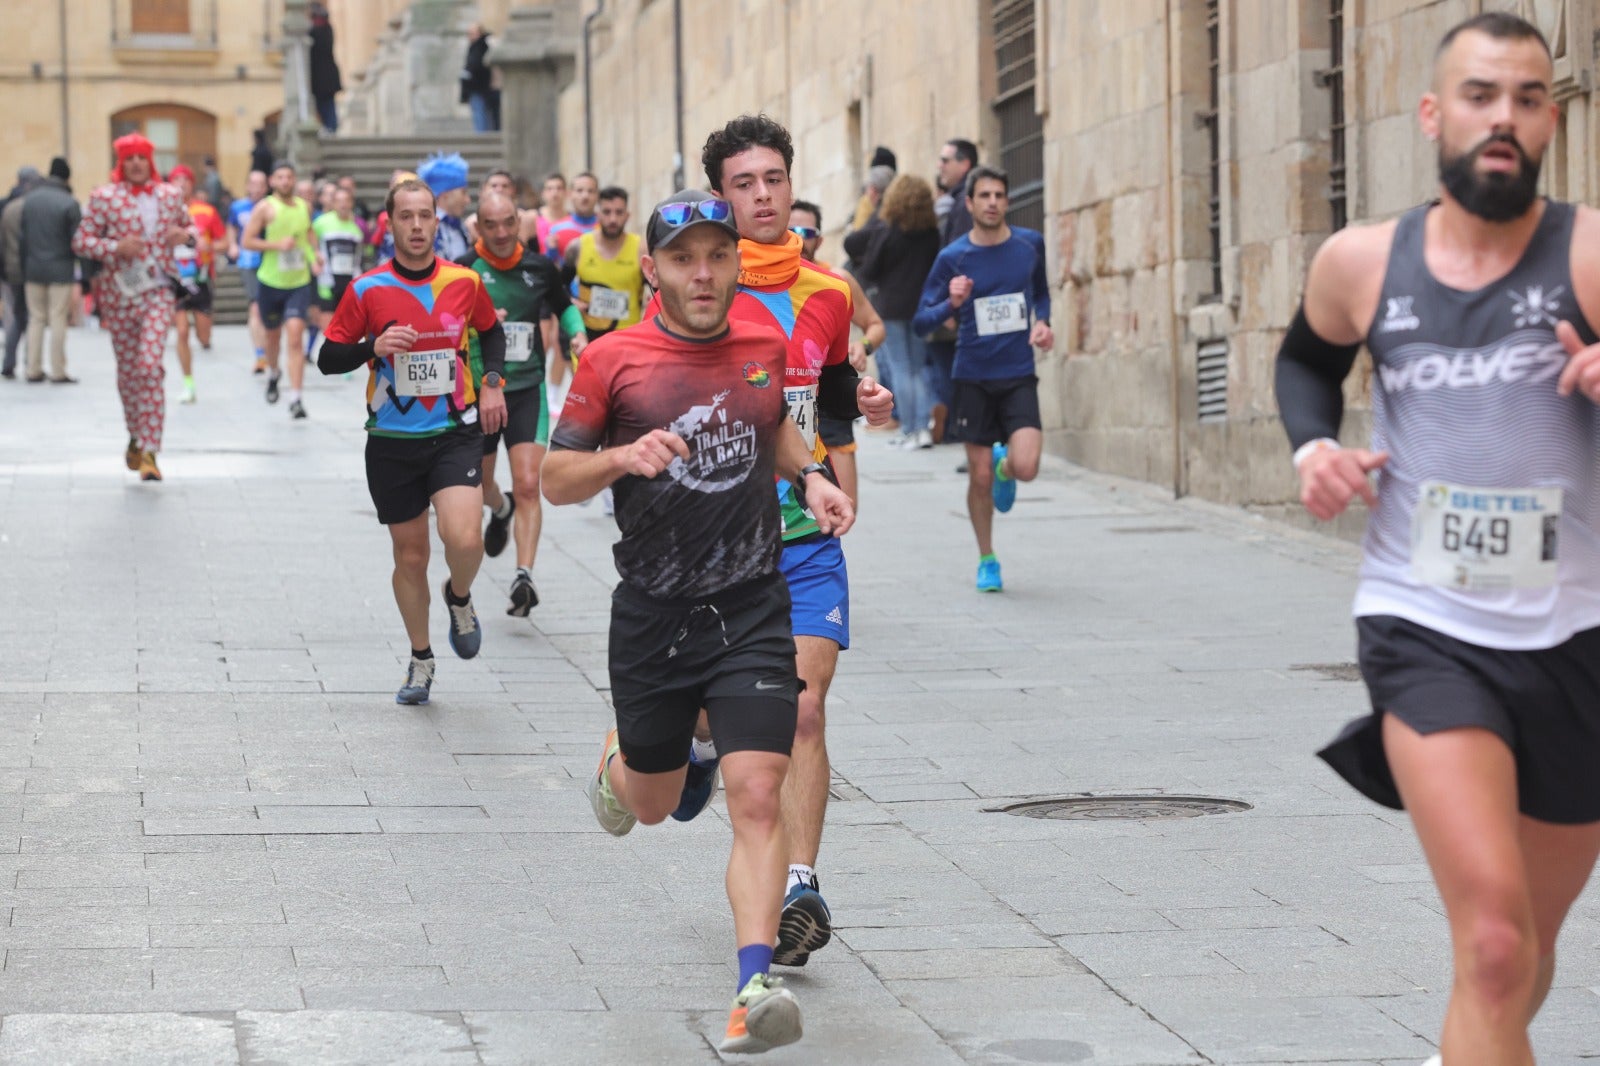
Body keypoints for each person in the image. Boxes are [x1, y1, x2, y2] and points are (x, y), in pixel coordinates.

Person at [1275, 14, 1600, 1066]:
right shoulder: (1362, 262)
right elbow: (1304, 364)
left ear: (1549, 117)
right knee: (1496, 941)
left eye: (1526, 97)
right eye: (1478, 94)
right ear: (1432, 113)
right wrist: (1312, 446)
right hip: (1426, 624)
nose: (1502, 117)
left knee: (1525, 951)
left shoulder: (1590, 254)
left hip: (1579, 636)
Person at [544, 188, 855, 1054]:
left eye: (717, 255)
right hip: (653, 616)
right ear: (654, 271)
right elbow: (554, 480)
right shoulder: (614, 359)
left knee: (758, 794)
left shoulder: (762, 343)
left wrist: (814, 476)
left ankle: (752, 987)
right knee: (651, 804)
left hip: (753, 604)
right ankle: (622, 759)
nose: (705, 272)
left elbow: (776, 434)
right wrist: (619, 456)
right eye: (685, 258)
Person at [683, 114, 894, 970]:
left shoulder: (831, 292)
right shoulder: (697, 289)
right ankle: (694, 741)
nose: (763, 195)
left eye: (774, 178)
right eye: (744, 183)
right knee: (713, 710)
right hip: (714, 542)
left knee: (803, 707)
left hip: (805, 538)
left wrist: (867, 413)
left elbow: (831, 389)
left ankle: (801, 885)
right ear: (720, 195)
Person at [315, 177, 507, 704]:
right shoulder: (367, 289)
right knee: (411, 557)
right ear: (391, 223)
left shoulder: (465, 281)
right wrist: (371, 347)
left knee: (465, 538)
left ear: (437, 221)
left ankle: (459, 596)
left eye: (427, 215)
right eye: (407, 216)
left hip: (455, 430)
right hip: (392, 440)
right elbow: (328, 357)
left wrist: (492, 382)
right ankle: (421, 659)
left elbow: (490, 331)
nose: (418, 225)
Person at [913, 165, 1053, 593]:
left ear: (1007, 202)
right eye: (985, 196)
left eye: (1000, 195)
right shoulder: (952, 257)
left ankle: (1006, 468)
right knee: (978, 479)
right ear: (969, 203)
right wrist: (951, 304)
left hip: (1017, 374)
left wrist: (1043, 323)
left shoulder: (1030, 246)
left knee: (1026, 466)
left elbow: (1042, 293)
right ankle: (987, 558)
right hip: (972, 375)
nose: (993, 202)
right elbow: (922, 321)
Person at [459, 190, 588, 616]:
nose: (500, 233)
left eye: (508, 223)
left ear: (520, 223)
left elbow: (564, 306)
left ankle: (524, 576)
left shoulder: (538, 267)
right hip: (478, 393)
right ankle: (501, 508)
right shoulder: (463, 271)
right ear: (478, 226)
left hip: (527, 388)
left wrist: (576, 333)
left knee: (530, 481)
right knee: (480, 486)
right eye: (490, 225)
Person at [70, 134, 191, 481]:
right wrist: (115, 247)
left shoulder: (170, 195)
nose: (137, 163)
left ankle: (152, 449)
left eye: (142, 157)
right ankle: (135, 434)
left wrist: (185, 237)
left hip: (159, 291)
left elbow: (190, 227)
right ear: (121, 163)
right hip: (119, 294)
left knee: (150, 366)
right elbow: (81, 241)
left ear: (151, 161)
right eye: (130, 158)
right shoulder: (104, 197)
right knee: (128, 371)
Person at [790, 200, 884, 508]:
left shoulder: (837, 282)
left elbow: (874, 325)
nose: (800, 238)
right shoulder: (766, 283)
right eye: (792, 230)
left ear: (820, 238)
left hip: (831, 406)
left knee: (846, 506)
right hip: (789, 413)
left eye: (807, 231)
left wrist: (862, 346)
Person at [845, 173, 942, 449]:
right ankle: (922, 429)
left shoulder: (889, 230)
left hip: (892, 307)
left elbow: (870, 269)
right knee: (920, 368)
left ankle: (910, 429)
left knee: (901, 368)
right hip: (922, 306)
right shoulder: (932, 233)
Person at [242, 161, 321, 419]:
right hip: (271, 282)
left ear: (295, 180)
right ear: (272, 181)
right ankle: (274, 373)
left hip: (298, 282)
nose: (285, 181)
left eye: (289, 177)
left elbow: (308, 234)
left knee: (296, 337)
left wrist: (315, 255)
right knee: (273, 338)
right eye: (280, 177)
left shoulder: (304, 206)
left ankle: (296, 398)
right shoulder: (265, 208)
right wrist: (277, 245)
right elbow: (247, 241)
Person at [929, 137, 979, 441]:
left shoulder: (964, 202)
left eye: (946, 160)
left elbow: (962, 257)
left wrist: (951, 305)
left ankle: (973, 438)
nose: (940, 166)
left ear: (965, 163)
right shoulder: (957, 199)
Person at [168, 164, 225, 403]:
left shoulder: (206, 211)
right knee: (182, 332)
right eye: (176, 180)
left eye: (186, 180)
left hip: (201, 278)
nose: (181, 185)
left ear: (192, 184)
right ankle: (188, 384)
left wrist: (208, 247)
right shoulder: (164, 212)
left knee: (203, 336)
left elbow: (224, 242)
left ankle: (204, 340)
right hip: (175, 279)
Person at [20, 158, 80, 385]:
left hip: (33, 268)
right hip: (60, 269)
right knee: (57, 319)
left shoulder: (30, 200)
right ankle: (57, 370)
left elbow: (22, 238)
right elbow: (78, 241)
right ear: (66, 177)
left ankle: (32, 369)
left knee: (35, 318)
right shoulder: (69, 203)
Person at [565, 185, 644, 341]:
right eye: (607, 212)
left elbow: (659, 291)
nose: (613, 219)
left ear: (627, 215)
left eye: (619, 212)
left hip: (629, 340)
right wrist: (571, 301)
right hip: (588, 342)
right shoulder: (577, 248)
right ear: (598, 214)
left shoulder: (641, 249)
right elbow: (557, 288)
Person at [310, 184, 363, 358]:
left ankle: (340, 350)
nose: (342, 204)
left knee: (345, 318)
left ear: (351, 203)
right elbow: (308, 239)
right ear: (332, 203)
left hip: (348, 278)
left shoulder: (356, 228)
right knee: (326, 315)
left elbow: (360, 254)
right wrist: (314, 258)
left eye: (346, 201)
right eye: (338, 201)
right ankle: (331, 350)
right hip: (327, 277)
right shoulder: (321, 222)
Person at [1, 166, 40, 380]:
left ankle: (11, 361)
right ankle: (29, 363)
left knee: (14, 316)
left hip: (10, 270)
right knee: (30, 317)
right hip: (28, 270)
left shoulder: (7, 206)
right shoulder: (29, 207)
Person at [420, 153, 472, 263]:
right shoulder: (423, 228)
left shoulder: (460, 227)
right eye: (463, 193)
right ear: (445, 196)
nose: (467, 200)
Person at [544, 172, 598, 262]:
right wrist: (551, 252)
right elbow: (549, 269)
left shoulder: (606, 228)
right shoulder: (556, 230)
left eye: (590, 191)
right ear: (570, 194)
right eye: (579, 190)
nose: (585, 196)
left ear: (597, 195)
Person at [309, 2, 342, 134]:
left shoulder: (318, 32)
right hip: (325, 78)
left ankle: (331, 127)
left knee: (326, 105)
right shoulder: (326, 30)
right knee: (326, 105)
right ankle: (330, 126)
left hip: (322, 79)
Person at [460, 24, 498, 132]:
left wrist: (467, 74)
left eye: (472, 33)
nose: (470, 36)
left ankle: (482, 137)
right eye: (469, 33)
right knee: (479, 112)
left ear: (479, 33)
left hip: (478, 86)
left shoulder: (480, 46)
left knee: (480, 113)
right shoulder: (476, 46)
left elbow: (477, 66)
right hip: (477, 86)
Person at [533, 172, 569, 255]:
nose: (555, 193)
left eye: (559, 188)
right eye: (550, 189)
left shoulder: (573, 219)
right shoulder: (534, 217)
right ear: (543, 193)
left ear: (566, 193)